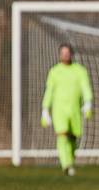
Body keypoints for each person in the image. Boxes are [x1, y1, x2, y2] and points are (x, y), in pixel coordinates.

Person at [40, 43, 93, 176]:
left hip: (74, 110)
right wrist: (45, 109)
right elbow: (49, 91)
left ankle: (69, 161)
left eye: (67, 53)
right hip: (59, 110)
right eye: (63, 53)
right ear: (59, 55)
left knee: (73, 138)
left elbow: (85, 87)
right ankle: (66, 164)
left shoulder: (80, 70)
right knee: (62, 135)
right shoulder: (54, 71)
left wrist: (88, 102)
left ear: (71, 54)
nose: (65, 55)